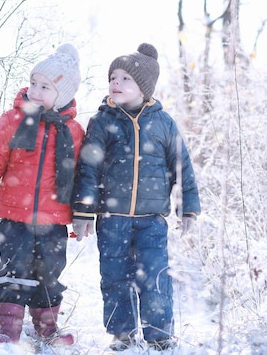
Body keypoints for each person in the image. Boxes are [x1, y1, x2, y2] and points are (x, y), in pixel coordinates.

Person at [71, 43, 201, 351]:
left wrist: (188, 209)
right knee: (114, 277)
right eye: (112, 77)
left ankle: (159, 335)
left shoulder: (163, 123)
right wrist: (84, 211)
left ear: (144, 87)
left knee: (155, 277)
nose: (115, 83)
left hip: (152, 221)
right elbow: (88, 168)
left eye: (125, 78)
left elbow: (181, 167)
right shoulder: (102, 122)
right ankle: (123, 335)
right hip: (111, 219)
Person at [0, 43, 85, 346]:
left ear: (64, 94)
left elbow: (82, 175)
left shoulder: (73, 132)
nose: (35, 90)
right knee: (13, 269)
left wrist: (84, 213)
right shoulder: (13, 119)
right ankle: (8, 329)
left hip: (54, 219)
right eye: (34, 82)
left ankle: (47, 329)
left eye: (45, 86)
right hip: (14, 216)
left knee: (49, 273)